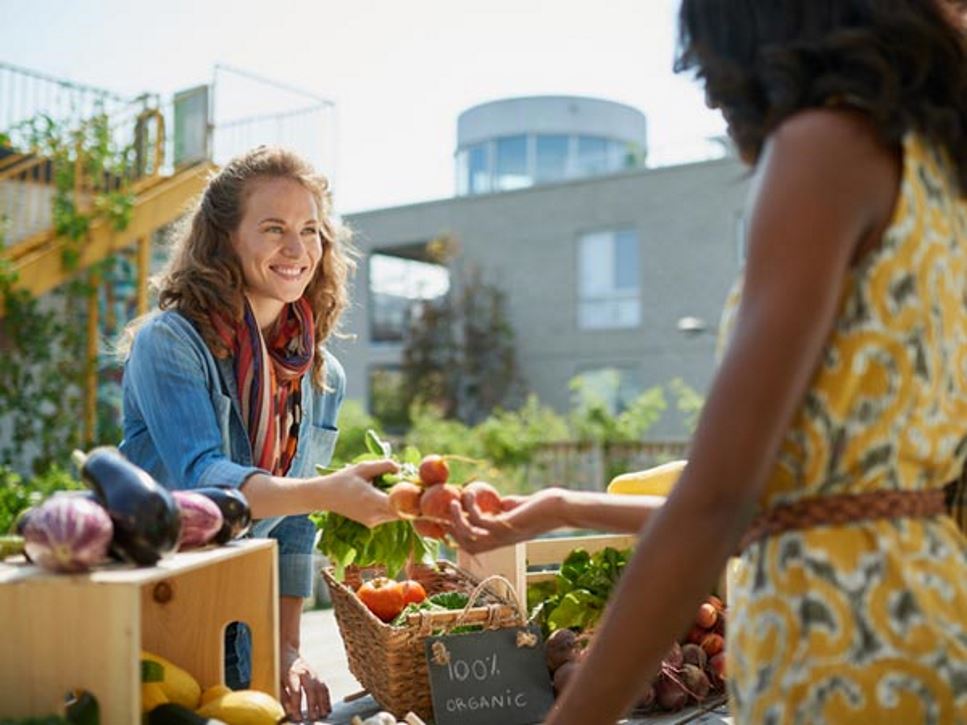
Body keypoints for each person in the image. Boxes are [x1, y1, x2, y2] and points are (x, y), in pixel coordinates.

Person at [452, 2, 967, 722]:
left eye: (709, 67)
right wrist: (564, 506)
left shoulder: (825, 146)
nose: (714, 99)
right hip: (917, 617)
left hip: (842, 637)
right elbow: (801, 487)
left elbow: (717, 501)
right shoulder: (935, 172)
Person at [118, 146, 397, 721]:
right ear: (224, 239)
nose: (297, 250)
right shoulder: (170, 342)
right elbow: (208, 487)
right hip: (153, 614)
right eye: (274, 228)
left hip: (241, 629)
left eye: (311, 230)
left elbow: (293, 528)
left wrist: (286, 648)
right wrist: (329, 492)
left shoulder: (321, 373)